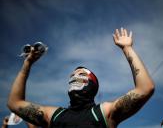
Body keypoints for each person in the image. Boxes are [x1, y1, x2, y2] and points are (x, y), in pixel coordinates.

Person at [7, 28, 155, 128]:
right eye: (72, 75)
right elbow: (14, 103)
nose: (75, 76)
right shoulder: (54, 115)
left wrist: (127, 48)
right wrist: (27, 64)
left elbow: (145, 88)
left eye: (82, 74)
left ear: (93, 86)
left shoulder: (104, 113)